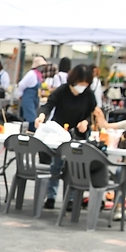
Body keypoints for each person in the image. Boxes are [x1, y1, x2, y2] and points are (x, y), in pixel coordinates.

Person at [35, 64, 97, 209]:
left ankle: (70, 199)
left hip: (78, 134)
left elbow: (92, 113)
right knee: (55, 165)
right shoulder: (62, 90)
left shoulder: (88, 94)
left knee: (74, 167)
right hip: (59, 133)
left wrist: (85, 122)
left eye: (86, 84)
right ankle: (50, 197)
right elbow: (48, 105)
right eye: (81, 83)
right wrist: (42, 116)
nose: (83, 87)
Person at [17, 54, 47, 131]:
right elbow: (21, 84)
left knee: (35, 115)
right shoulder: (31, 74)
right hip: (28, 98)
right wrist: (20, 94)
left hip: (35, 97)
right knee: (31, 116)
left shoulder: (38, 74)